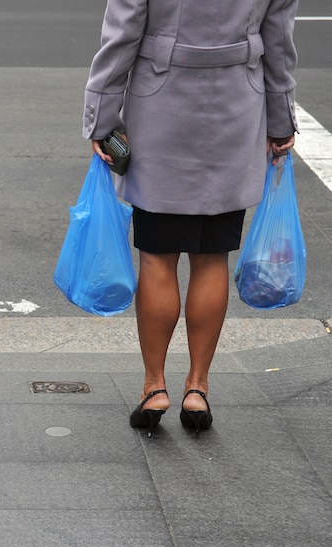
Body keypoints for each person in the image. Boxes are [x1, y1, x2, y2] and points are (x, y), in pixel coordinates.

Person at [83, 0, 298, 436]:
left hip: (162, 108)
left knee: (157, 256)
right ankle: (197, 387)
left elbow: (122, 35)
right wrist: (281, 117)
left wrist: (101, 117)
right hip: (236, 108)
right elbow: (278, 41)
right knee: (212, 256)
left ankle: (154, 385)